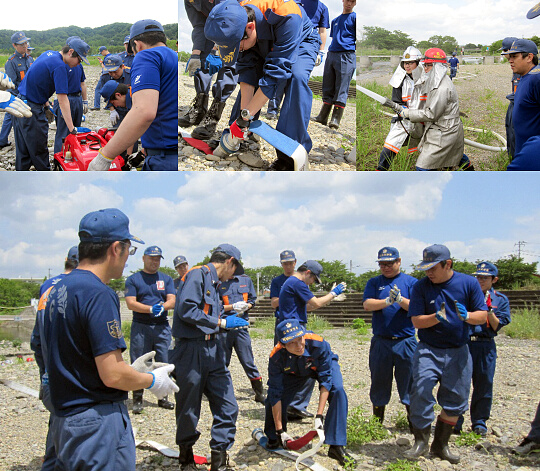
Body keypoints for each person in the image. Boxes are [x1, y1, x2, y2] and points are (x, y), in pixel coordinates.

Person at [40, 208, 178, 471]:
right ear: (116, 248)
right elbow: (112, 376)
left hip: (62, 417)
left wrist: (130, 370)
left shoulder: (56, 288)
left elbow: (68, 352)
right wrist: (152, 380)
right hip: (94, 422)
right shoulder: (98, 293)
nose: (128, 259)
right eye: (129, 250)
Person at [204, 0, 321, 171]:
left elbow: (274, 76)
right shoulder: (238, 15)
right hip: (260, 38)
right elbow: (247, 73)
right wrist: (243, 120)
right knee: (246, 106)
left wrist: (246, 116)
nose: (239, 50)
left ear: (250, 27)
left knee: (296, 77)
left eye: (238, 47)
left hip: (301, 39)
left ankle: (289, 154)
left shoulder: (287, 14)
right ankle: (237, 137)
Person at [404, 244, 487, 464]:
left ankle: (440, 445)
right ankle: (420, 442)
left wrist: (467, 315)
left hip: (459, 350)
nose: (429, 273)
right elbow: (416, 321)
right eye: (425, 268)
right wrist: (436, 317)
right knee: (420, 391)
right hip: (428, 349)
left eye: (433, 268)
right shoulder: (421, 287)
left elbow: (482, 316)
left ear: (447, 264)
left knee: (455, 398)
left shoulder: (468, 283)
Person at [171, 244, 249, 470]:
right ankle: (186, 458)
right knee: (188, 407)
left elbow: (207, 311)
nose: (233, 275)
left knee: (228, 404)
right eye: (235, 269)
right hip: (191, 350)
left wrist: (230, 309)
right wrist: (221, 322)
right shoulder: (197, 274)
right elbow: (187, 310)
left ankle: (219, 459)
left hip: (214, 350)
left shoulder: (214, 283)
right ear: (229, 262)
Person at [88, 19, 178, 171]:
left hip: (163, 160)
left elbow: (143, 112)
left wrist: (104, 157)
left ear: (137, 44)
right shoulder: (173, 57)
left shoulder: (147, 56)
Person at [265, 319, 355, 466]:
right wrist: (280, 430)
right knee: (272, 398)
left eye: (300, 339)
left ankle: (336, 445)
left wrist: (319, 416)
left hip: (320, 365)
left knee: (338, 390)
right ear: (282, 344)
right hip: (294, 371)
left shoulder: (318, 342)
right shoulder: (276, 356)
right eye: (292, 343)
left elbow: (326, 379)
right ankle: (276, 435)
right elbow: (275, 393)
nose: (299, 345)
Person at [278, 260, 346, 420]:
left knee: (301, 365)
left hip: (290, 327)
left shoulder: (291, 282)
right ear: (308, 272)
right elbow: (315, 302)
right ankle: (293, 406)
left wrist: (329, 299)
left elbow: (308, 307)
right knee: (309, 364)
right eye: (314, 279)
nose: (313, 283)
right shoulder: (298, 283)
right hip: (295, 329)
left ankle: (292, 405)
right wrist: (333, 293)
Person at [30, 246, 79, 470]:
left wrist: (45, 372)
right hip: (71, 376)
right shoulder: (79, 288)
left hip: (51, 371)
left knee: (57, 422)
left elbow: (36, 340)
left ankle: (51, 460)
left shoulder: (47, 287)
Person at [13, 37, 90, 171]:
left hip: (20, 104)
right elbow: (62, 99)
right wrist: (72, 128)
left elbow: (38, 81)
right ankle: (48, 184)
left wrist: (46, 105)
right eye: (80, 59)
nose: (79, 64)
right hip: (31, 109)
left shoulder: (49, 54)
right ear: (71, 52)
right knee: (39, 150)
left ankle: (20, 184)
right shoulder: (60, 66)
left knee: (23, 152)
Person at [362, 247, 418, 426]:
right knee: (379, 381)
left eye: (390, 263)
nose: (385, 267)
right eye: (382, 264)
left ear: (399, 261)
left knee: (409, 382)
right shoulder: (374, 282)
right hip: (381, 341)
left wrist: (401, 300)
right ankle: (377, 422)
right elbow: (367, 304)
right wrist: (387, 301)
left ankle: (413, 422)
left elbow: (417, 307)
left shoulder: (411, 282)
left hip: (405, 340)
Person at [454, 262, 511, 437]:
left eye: (485, 278)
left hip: (485, 344)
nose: (480, 280)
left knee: (484, 383)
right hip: (465, 342)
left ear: (494, 279)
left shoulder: (500, 299)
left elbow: (496, 326)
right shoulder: (466, 296)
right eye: (478, 277)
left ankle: (479, 422)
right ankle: (455, 420)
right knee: (458, 383)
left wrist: (488, 310)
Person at [398, 48, 469, 171]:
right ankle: (469, 169)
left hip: (445, 130)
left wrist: (409, 113)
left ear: (439, 67)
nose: (425, 68)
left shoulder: (442, 88)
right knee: (453, 153)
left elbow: (431, 114)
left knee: (422, 166)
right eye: (425, 65)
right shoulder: (435, 81)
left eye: (429, 65)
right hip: (442, 127)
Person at [125, 245, 176, 413]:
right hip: (141, 326)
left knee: (164, 361)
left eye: (157, 259)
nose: (154, 261)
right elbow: (130, 302)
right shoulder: (134, 279)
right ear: (143, 258)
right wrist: (148, 309)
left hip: (161, 327)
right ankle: (138, 398)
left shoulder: (166, 279)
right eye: (151, 258)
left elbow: (172, 300)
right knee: (139, 362)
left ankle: (163, 398)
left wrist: (163, 307)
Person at [178, 0, 239, 141]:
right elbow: (199, 25)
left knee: (229, 66)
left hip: (234, 27)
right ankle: (199, 109)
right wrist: (195, 54)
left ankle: (213, 116)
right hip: (210, 28)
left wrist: (216, 48)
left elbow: (233, 21)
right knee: (201, 62)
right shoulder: (190, 1)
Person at [267, 0, 330, 119]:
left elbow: (322, 31)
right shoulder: (296, 1)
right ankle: (273, 109)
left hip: (309, 40)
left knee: (299, 76)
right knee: (282, 71)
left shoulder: (323, 8)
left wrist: (321, 51)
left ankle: (290, 113)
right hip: (292, 33)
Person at [218, 272, 265, 404]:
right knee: (222, 363)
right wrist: (232, 307)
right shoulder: (218, 281)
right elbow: (215, 306)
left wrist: (247, 306)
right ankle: (221, 393)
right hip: (224, 328)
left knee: (248, 362)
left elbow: (252, 300)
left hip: (241, 328)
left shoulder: (246, 280)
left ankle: (259, 393)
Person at [376, 46, 423, 170]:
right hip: (404, 120)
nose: (407, 66)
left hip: (426, 120)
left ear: (418, 63)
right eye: (405, 63)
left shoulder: (426, 80)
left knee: (444, 145)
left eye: (410, 63)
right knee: (387, 150)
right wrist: (404, 111)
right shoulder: (399, 80)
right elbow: (396, 102)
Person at [312, 0, 356, 130]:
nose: (349, 3)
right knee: (328, 85)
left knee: (341, 86)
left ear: (355, 3)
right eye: (347, 0)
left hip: (347, 54)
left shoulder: (355, 18)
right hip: (332, 53)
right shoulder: (335, 20)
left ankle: (335, 118)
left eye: (352, 1)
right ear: (343, 1)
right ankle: (323, 116)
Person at [52, 36, 89, 154]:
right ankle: (59, 157)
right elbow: (60, 93)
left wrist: (85, 101)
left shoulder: (78, 65)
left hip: (77, 99)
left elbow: (82, 83)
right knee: (63, 132)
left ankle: (73, 156)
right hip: (65, 99)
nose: (78, 62)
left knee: (76, 130)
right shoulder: (62, 65)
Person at [504, 39, 540, 160]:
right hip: (523, 147)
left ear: (529, 57)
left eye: (515, 56)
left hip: (533, 152)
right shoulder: (525, 76)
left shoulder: (536, 79)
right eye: (510, 57)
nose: (510, 60)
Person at [0, 32, 34, 149]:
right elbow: (11, 85)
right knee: (13, 119)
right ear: (14, 45)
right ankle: (3, 141)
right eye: (21, 44)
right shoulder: (11, 62)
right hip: (18, 97)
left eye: (26, 43)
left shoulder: (30, 58)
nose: (25, 46)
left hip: (30, 96)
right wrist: (20, 98)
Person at [499, 37, 520, 159]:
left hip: (518, 105)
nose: (509, 59)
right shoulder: (516, 68)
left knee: (515, 134)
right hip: (514, 103)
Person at [90, 46, 112, 110]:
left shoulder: (107, 57)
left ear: (104, 51)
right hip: (109, 75)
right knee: (109, 90)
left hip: (105, 75)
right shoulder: (111, 56)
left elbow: (105, 67)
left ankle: (97, 106)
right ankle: (108, 105)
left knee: (98, 89)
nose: (101, 54)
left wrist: (101, 63)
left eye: (101, 52)